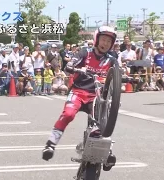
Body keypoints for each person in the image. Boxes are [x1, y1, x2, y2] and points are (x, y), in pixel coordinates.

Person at [42, 26, 118, 171]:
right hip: (78, 91)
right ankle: (50, 144)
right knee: (68, 114)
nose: (105, 43)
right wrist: (74, 67)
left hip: (97, 96)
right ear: (96, 39)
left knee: (103, 121)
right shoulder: (85, 52)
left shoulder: (112, 60)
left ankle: (107, 152)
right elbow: (70, 65)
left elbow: (118, 74)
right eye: (103, 39)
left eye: (109, 41)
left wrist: (124, 78)